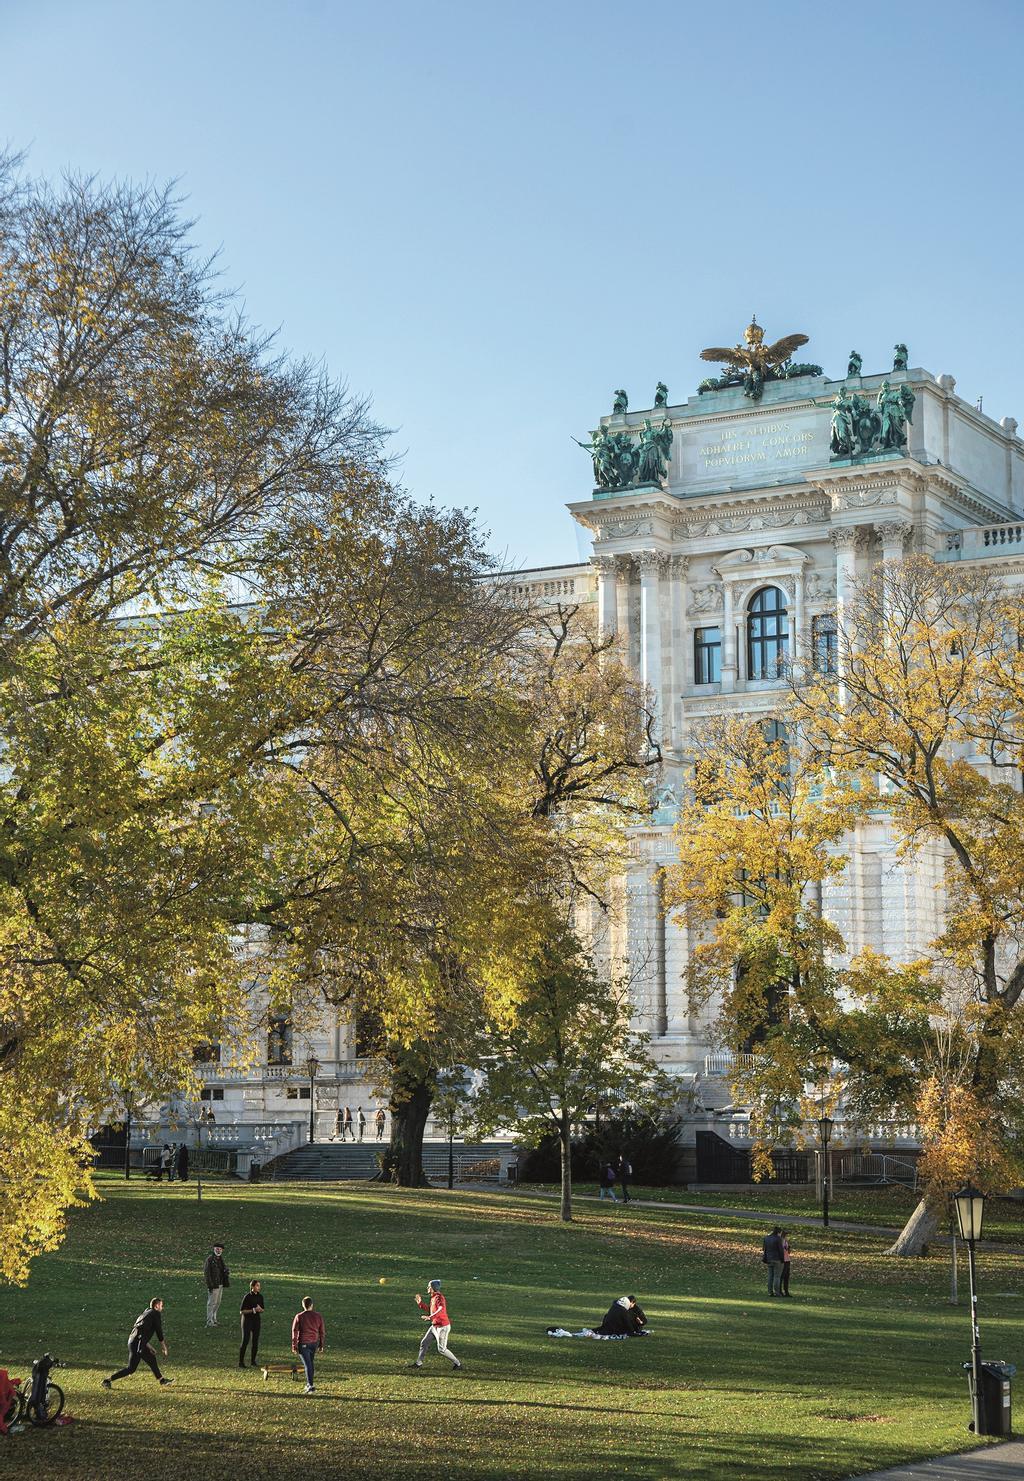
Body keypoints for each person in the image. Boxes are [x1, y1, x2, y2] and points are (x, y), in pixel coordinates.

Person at [102, 1298, 173, 1388]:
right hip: (137, 1343)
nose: (162, 1308)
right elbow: (159, 1331)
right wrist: (164, 1347)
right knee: (150, 1360)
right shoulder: (155, 1313)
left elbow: (141, 1332)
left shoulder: (146, 1313)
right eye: (161, 1306)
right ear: (156, 1306)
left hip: (132, 1341)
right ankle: (162, 1380)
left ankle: (107, 1381)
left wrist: (149, 1347)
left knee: (131, 1368)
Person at [411, 1279, 462, 1372]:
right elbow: (431, 1310)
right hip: (435, 1326)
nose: (427, 1288)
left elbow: (440, 1309)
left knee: (442, 1349)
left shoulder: (439, 1297)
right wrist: (420, 1304)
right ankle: (419, 1363)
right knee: (424, 1342)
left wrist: (430, 1317)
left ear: (433, 1288)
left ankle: (458, 1364)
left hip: (442, 1327)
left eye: (429, 1286)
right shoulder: (433, 1297)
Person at [291, 1296, 325, 1393]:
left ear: (303, 1305)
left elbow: (294, 1331)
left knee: (308, 1364)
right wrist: (321, 1344)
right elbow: (322, 1331)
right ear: (312, 1305)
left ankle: (310, 1385)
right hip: (313, 1343)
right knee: (310, 1363)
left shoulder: (299, 1316)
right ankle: (309, 1383)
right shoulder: (318, 1316)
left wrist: (294, 1345)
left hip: (303, 1343)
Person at [239, 1280, 264, 1367]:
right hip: (247, 1321)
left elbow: (262, 1309)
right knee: (245, 1340)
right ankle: (241, 1362)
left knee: (255, 1341)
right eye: (257, 1286)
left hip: (256, 1320)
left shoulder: (260, 1296)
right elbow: (242, 1311)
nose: (259, 1287)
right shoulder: (247, 1297)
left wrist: (260, 1309)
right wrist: (253, 1310)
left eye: (259, 1286)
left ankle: (253, 1361)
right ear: (252, 1287)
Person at [204, 1241, 229, 1326]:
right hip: (214, 1285)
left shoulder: (221, 1259)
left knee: (217, 1302)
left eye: (220, 1249)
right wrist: (210, 1285)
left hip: (220, 1284)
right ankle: (209, 1321)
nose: (218, 1250)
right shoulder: (210, 1259)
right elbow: (207, 1274)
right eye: (217, 1249)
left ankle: (214, 1319)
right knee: (211, 1303)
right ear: (214, 1249)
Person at [762, 1225, 785, 1297]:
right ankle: (777, 1292)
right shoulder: (778, 1239)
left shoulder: (766, 1238)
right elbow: (780, 1250)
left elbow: (764, 1249)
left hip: (769, 1259)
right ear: (779, 1232)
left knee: (770, 1276)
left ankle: (770, 1291)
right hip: (777, 1259)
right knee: (777, 1276)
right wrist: (782, 1259)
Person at [780, 1231, 792, 1297]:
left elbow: (788, 1251)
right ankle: (780, 1291)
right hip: (783, 1260)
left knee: (787, 1276)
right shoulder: (780, 1241)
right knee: (782, 1276)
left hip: (787, 1260)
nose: (786, 1236)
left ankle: (786, 1291)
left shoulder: (785, 1241)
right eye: (785, 1234)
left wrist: (788, 1248)